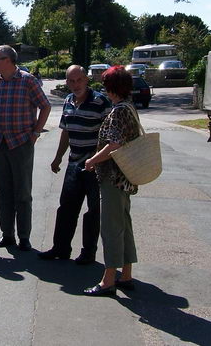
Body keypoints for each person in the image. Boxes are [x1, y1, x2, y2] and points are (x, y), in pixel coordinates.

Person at [38, 65, 111, 265]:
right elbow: (66, 131)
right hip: (74, 163)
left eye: (79, 80)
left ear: (86, 80)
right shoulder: (69, 101)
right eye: (71, 81)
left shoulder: (101, 102)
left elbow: (108, 136)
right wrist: (58, 157)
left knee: (93, 211)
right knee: (66, 208)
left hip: (95, 166)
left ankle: (88, 253)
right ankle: (60, 248)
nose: (75, 85)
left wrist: (96, 159)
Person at [0, 45, 51, 251]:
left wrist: (36, 133)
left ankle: (24, 237)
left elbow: (45, 105)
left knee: (22, 193)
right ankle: (7, 235)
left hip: (21, 144)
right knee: (2, 192)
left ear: (9, 60)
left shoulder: (28, 80)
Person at [83, 65, 140, 296]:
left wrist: (92, 160)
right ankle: (125, 274)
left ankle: (108, 281)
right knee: (124, 225)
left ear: (113, 87)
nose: (104, 89)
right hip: (126, 176)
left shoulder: (118, 111)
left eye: (106, 85)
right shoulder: (130, 107)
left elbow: (114, 144)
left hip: (114, 177)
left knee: (111, 228)